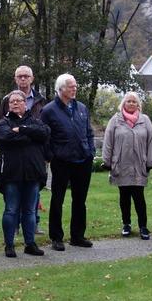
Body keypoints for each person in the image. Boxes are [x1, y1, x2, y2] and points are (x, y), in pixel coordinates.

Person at [41, 73, 95, 251]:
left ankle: (77, 236)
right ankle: (56, 237)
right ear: (61, 88)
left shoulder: (81, 108)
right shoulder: (49, 110)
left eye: (75, 86)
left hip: (82, 159)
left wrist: (90, 151)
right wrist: (51, 155)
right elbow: (44, 137)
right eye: (71, 86)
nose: (74, 89)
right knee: (58, 199)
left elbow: (89, 131)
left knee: (80, 200)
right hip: (62, 161)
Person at [0, 90, 50, 257]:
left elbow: (45, 133)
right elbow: (5, 138)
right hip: (12, 174)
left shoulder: (35, 121)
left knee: (30, 211)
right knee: (11, 210)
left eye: (19, 101)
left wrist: (22, 129)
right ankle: (9, 245)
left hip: (33, 174)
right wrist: (30, 135)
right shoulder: (3, 123)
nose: (15, 104)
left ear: (25, 103)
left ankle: (30, 243)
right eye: (12, 101)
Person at [102, 91, 152, 240]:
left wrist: (151, 162)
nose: (131, 104)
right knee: (124, 196)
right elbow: (108, 141)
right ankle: (126, 224)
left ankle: (143, 227)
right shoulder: (115, 120)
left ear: (138, 104)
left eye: (134, 101)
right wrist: (107, 161)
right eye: (129, 101)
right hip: (121, 165)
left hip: (139, 165)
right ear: (123, 103)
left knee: (139, 197)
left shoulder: (145, 120)